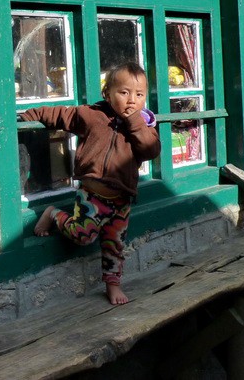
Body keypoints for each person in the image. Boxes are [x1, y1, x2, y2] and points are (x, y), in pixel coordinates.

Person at [20, 62, 161, 305]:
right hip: (92, 195)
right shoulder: (93, 116)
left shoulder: (145, 125)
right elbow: (61, 115)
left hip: (121, 201)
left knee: (115, 245)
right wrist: (28, 117)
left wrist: (135, 123)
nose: (132, 100)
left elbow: (150, 150)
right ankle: (53, 214)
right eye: (124, 92)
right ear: (107, 94)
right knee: (83, 235)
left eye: (139, 95)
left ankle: (113, 285)